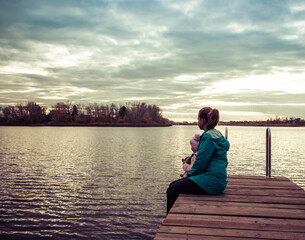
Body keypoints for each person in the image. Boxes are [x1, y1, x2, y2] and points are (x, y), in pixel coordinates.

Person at [166, 107, 230, 214]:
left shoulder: (207, 138)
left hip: (212, 182)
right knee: (174, 185)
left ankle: (171, 220)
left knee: (172, 190)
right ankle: (179, 213)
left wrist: (188, 175)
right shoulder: (216, 134)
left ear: (203, 120)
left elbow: (200, 165)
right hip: (218, 179)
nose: (197, 121)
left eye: (198, 119)